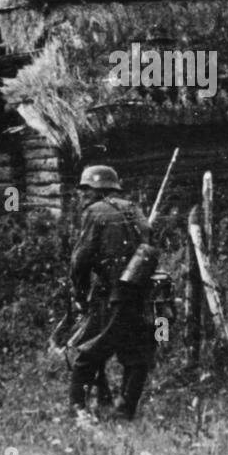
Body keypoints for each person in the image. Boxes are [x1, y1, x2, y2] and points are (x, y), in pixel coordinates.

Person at [67, 165, 155, 421]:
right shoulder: (134, 209)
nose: (83, 196)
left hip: (111, 295)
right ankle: (124, 411)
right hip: (141, 294)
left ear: (96, 190)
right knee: (137, 355)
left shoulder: (95, 212)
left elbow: (80, 260)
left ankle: (78, 411)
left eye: (86, 190)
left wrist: (80, 293)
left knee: (89, 353)